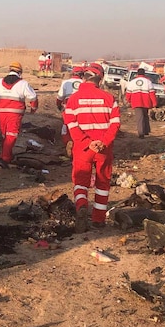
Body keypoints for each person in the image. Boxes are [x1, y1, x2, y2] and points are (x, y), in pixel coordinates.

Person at [63, 63, 121, 232]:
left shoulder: (73, 100)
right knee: (103, 183)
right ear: (100, 79)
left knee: (80, 181)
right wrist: (103, 141)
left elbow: (70, 124)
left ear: (84, 78)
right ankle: (98, 219)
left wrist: (86, 142)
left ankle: (81, 205)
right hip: (104, 149)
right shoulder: (109, 98)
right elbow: (115, 123)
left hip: (83, 148)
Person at [0, 62, 38, 168]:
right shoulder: (23, 84)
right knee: (11, 135)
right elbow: (33, 98)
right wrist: (33, 109)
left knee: (5, 135)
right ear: (20, 72)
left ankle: (5, 154)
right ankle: (5, 159)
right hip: (15, 114)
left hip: (2, 113)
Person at [56, 66, 85, 155]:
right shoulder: (84, 83)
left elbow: (60, 97)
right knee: (81, 128)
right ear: (82, 75)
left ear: (72, 73)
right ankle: (79, 146)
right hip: (82, 109)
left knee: (66, 127)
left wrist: (59, 106)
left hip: (68, 108)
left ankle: (68, 142)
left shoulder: (65, 82)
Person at [125, 68, 157, 139]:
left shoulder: (132, 82)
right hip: (146, 101)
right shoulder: (148, 81)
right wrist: (154, 103)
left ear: (137, 74)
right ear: (144, 73)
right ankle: (146, 131)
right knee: (145, 115)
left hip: (136, 102)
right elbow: (152, 93)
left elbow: (128, 93)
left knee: (139, 117)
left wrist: (129, 100)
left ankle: (141, 133)